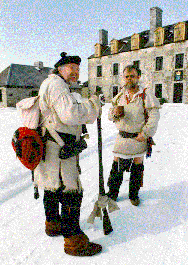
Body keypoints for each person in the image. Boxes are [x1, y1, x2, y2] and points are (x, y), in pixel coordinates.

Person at [34, 52, 102, 256]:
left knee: (52, 187)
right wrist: (92, 105)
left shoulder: (52, 84)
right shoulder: (57, 86)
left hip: (51, 147)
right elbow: (70, 114)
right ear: (60, 69)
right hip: (60, 149)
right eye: (71, 67)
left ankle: (53, 224)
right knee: (72, 191)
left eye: (78, 69)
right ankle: (74, 242)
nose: (75, 72)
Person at [107, 65, 160, 206]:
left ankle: (134, 194)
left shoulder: (146, 95)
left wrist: (145, 133)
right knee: (117, 166)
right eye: (126, 76)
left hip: (138, 137)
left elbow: (154, 117)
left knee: (137, 167)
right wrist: (114, 114)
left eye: (132, 76)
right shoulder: (120, 95)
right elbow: (109, 114)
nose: (129, 79)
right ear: (123, 78)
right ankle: (112, 193)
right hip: (122, 137)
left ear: (138, 77)